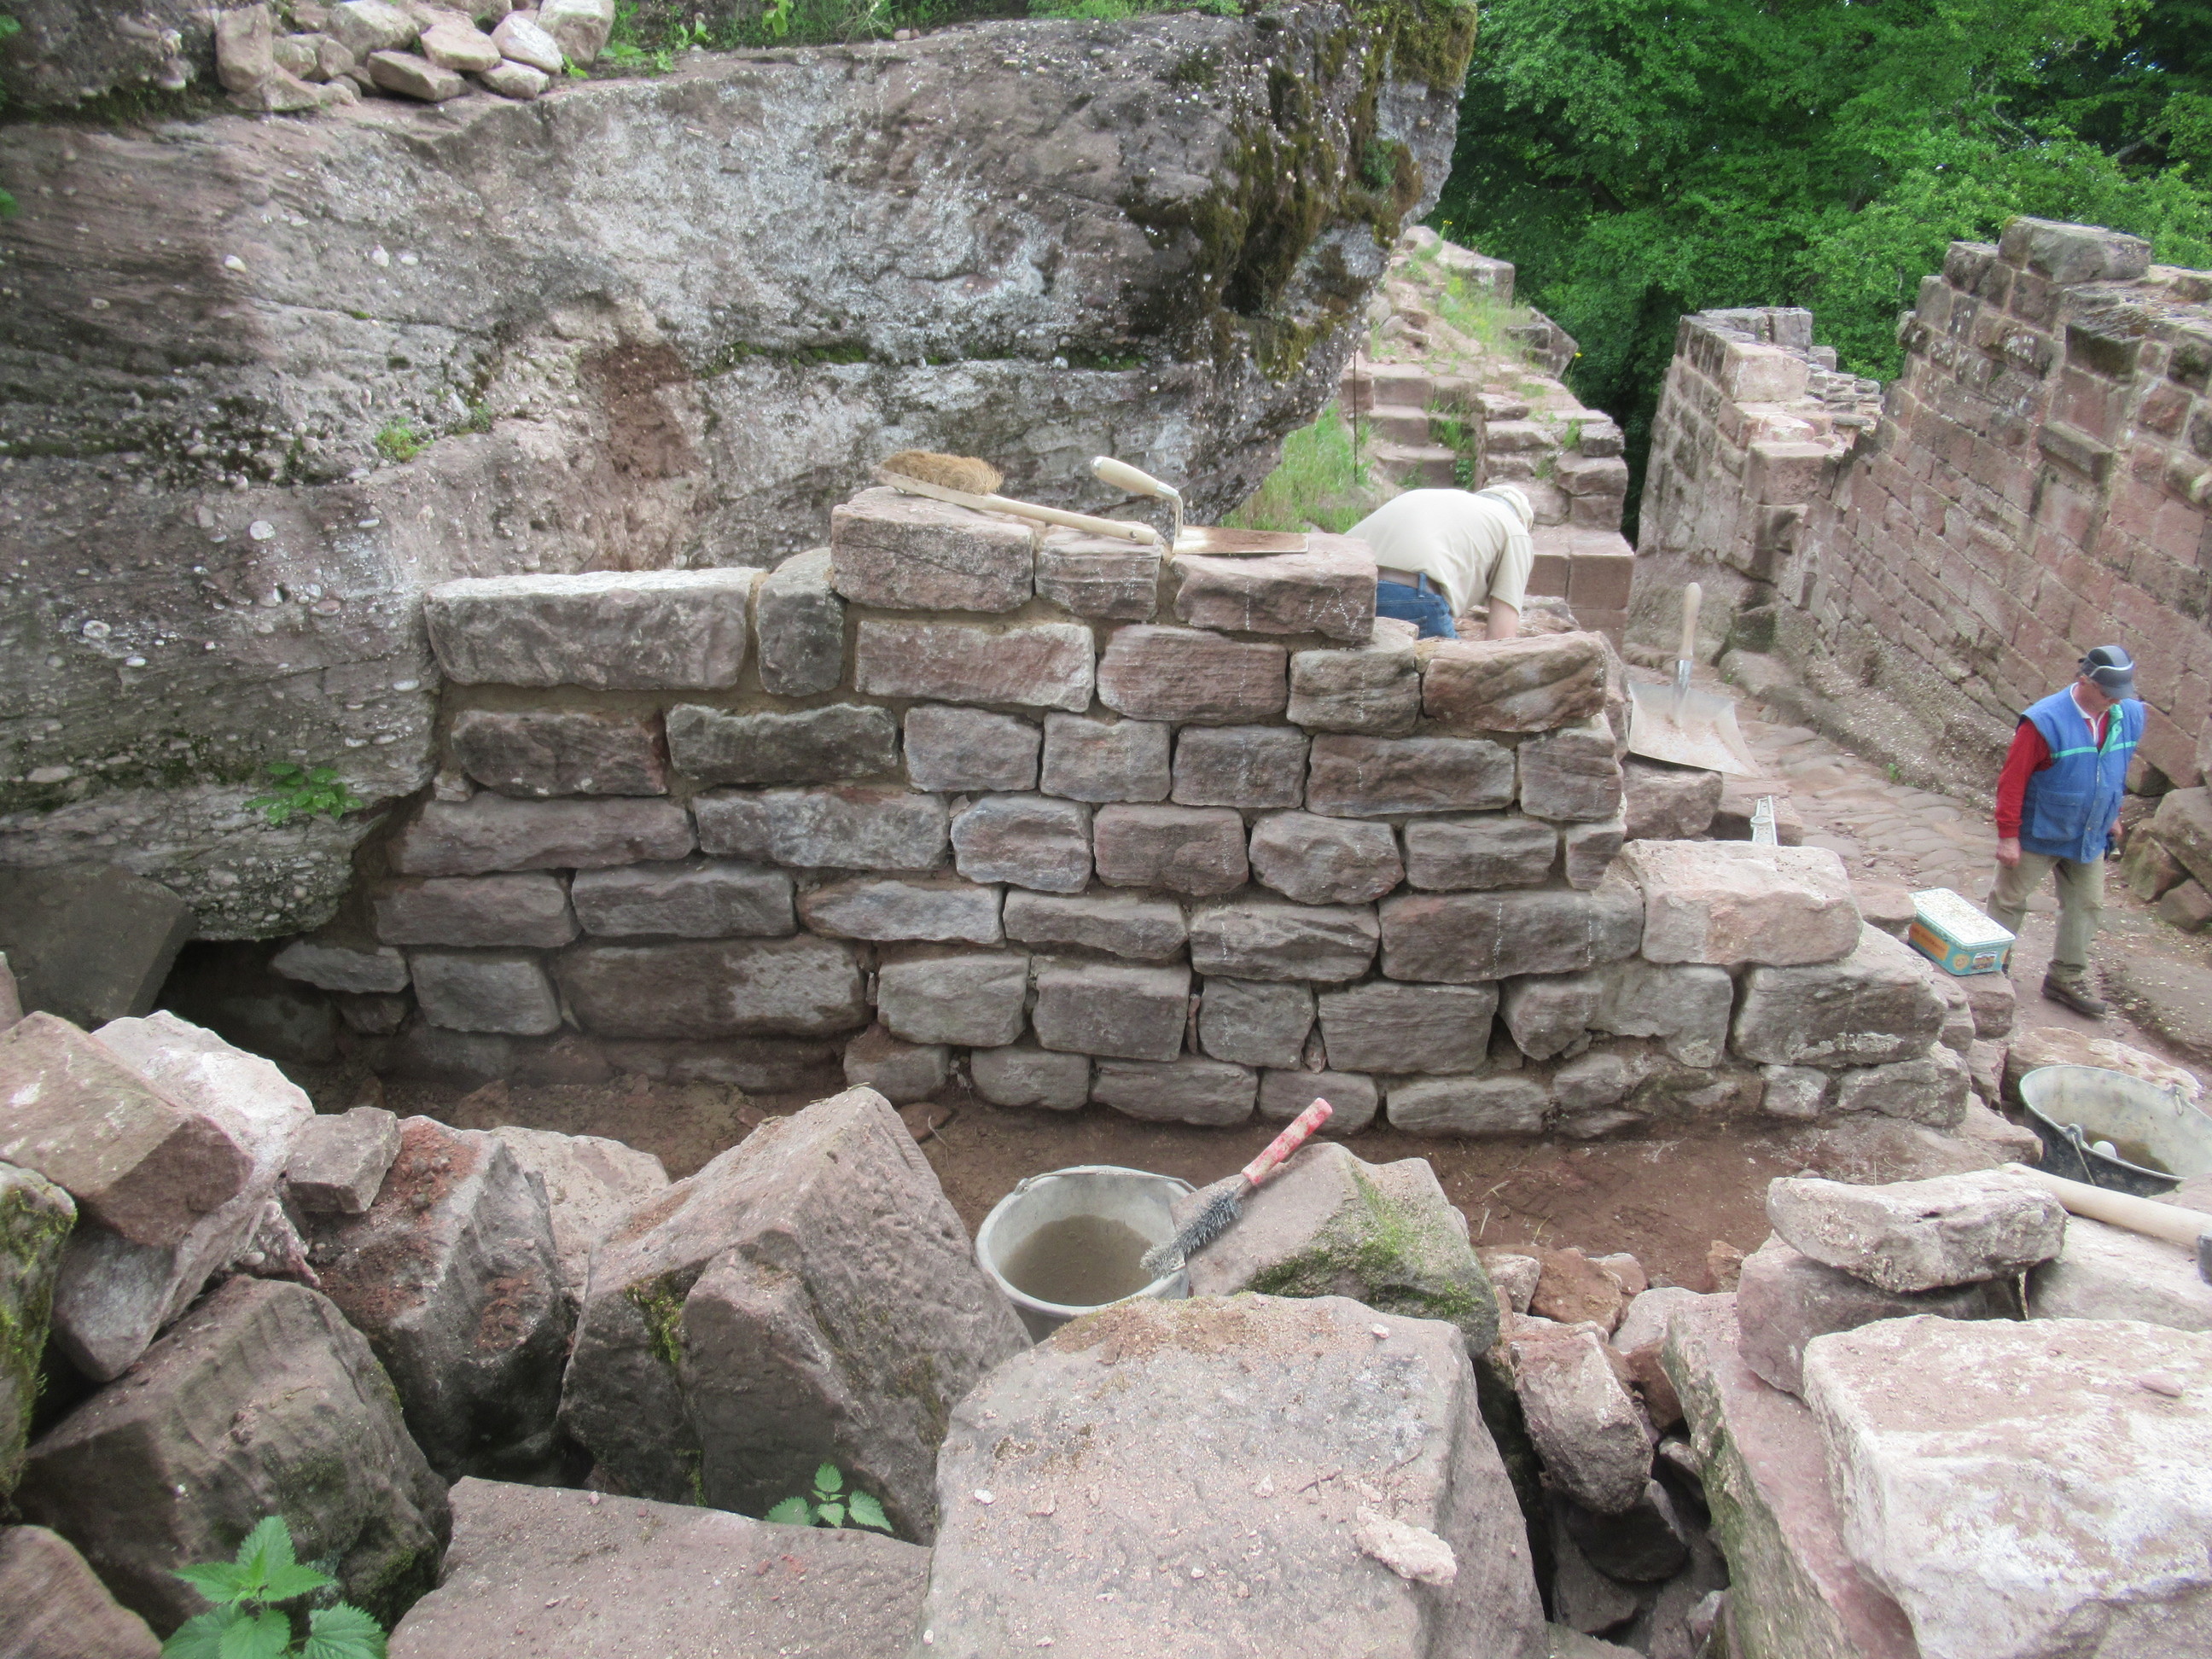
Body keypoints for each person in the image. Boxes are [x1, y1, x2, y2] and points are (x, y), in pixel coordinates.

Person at [1988, 645, 2144, 1018]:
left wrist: (2114, 813)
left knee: (2087, 903)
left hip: (2089, 832)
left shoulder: (2130, 714)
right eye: (2107, 693)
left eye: (2120, 693)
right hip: (2039, 829)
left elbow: (2116, 766)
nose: (2114, 701)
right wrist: (2008, 835)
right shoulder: (2043, 722)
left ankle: (2066, 977)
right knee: (2009, 899)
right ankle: (1991, 967)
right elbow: (2012, 780)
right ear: (2084, 680)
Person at [1346, 485, 1534, 641]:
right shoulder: (1515, 530)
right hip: (1408, 596)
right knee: (1456, 673)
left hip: (1343, 589)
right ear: (1521, 521)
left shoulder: (1430, 497)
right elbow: (1501, 639)